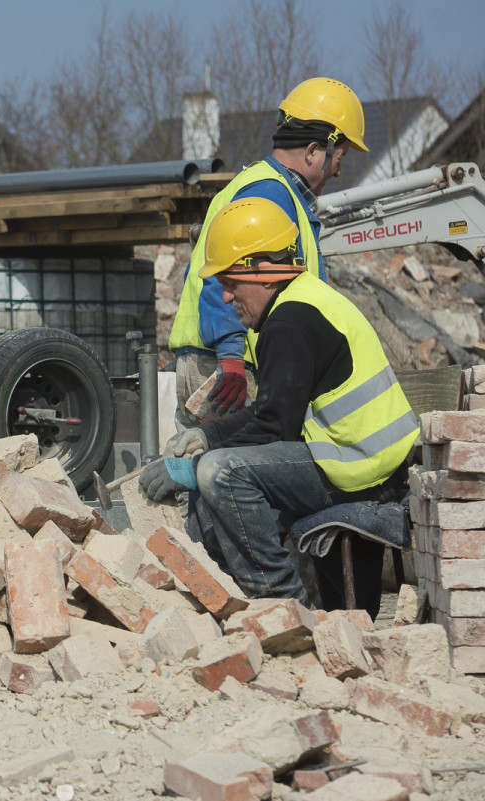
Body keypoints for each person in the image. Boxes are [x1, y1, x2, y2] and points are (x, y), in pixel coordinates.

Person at [140, 198, 418, 617]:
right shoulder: (296, 303)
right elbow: (274, 410)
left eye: (231, 281)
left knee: (220, 473)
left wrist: (195, 466)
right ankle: (221, 603)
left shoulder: (289, 322)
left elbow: (275, 429)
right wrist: (207, 435)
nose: (227, 295)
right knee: (212, 466)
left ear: (262, 270)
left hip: (361, 468)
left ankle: (284, 607)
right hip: (356, 457)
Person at [169, 77, 369, 427]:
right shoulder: (269, 195)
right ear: (312, 152)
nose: (339, 169)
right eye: (340, 156)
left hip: (216, 360)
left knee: (209, 467)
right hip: (227, 368)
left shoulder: (267, 189)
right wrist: (231, 357)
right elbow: (231, 275)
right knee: (232, 471)